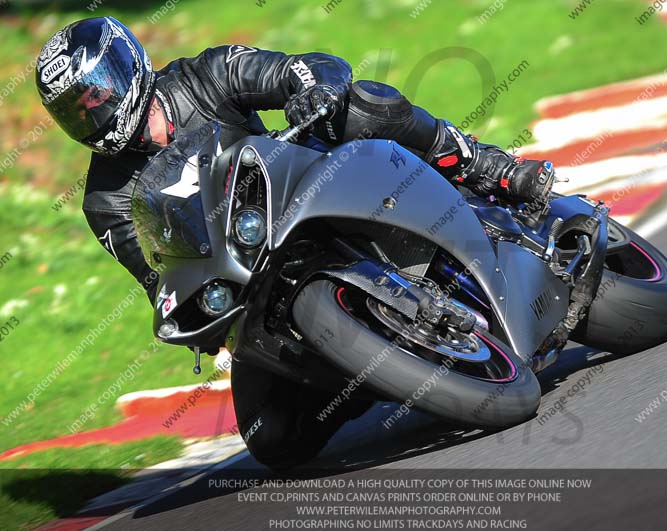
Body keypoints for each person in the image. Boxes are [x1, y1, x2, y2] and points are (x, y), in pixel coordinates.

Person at [36, 17, 556, 468]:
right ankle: (368, 373)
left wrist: (315, 88)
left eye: (97, 92)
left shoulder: (204, 75)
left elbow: (303, 68)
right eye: (75, 109)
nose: (91, 111)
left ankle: (487, 167)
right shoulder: (105, 202)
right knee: (272, 440)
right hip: (250, 277)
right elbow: (157, 275)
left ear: (127, 64)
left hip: (301, 184)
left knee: (364, 104)